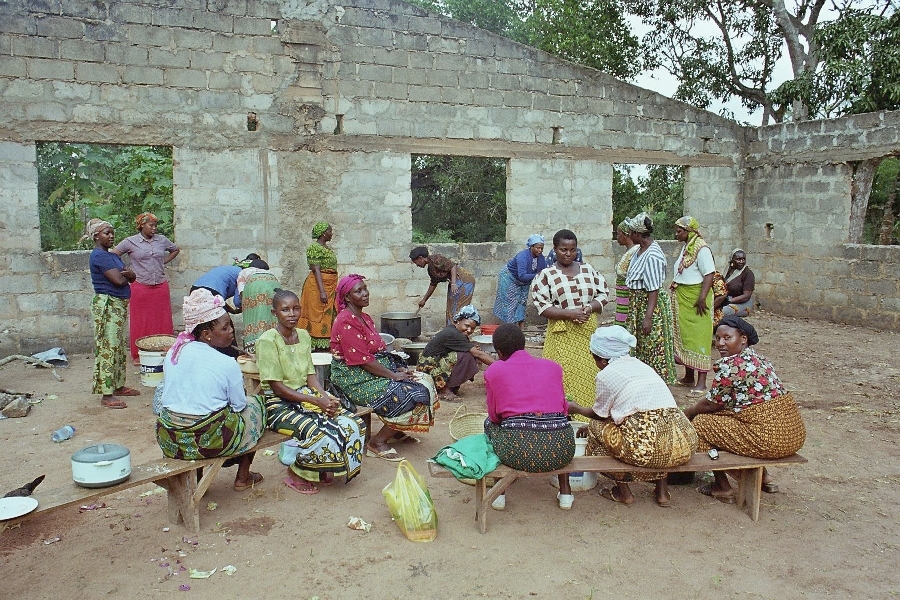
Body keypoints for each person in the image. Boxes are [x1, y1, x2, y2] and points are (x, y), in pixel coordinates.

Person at [567, 326, 699, 507]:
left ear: (601, 358)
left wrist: (577, 409)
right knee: (662, 438)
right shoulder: (642, 366)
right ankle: (662, 493)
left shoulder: (606, 374)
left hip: (647, 449)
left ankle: (624, 493)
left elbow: (600, 415)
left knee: (596, 428)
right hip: (685, 442)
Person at [684, 316, 805, 502]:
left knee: (702, 423)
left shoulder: (732, 367)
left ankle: (722, 486)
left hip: (772, 440)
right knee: (729, 422)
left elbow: (711, 404)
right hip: (793, 436)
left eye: (727, 338)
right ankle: (765, 477)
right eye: (717, 339)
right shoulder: (758, 359)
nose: (721, 343)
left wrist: (689, 412)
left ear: (743, 339)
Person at [256, 289, 365, 495]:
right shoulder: (267, 341)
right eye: (285, 309)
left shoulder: (304, 336)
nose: (292, 314)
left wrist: (325, 398)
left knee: (351, 422)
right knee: (317, 430)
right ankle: (296, 474)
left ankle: (323, 467)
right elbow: (277, 387)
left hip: (306, 395)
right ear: (274, 313)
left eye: (296, 308)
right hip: (279, 404)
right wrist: (317, 403)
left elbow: (310, 375)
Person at [156, 289, 266, 492]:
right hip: (208, 441)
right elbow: (239, 405)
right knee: (256, 405)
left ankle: (197, 479)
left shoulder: (174, 351)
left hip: (170, 438)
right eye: (225, 328)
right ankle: (243, 476)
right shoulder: (226, 363)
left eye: (230, 326)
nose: (231, 331)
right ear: (206, 334)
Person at [329, 274, 438, 462]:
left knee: (424, 379)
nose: (365, 294)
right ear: (347, 297)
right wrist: (393, 376)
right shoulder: (346, 321)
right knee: (411, 393)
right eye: (359, 291)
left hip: (370, 372)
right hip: (354, 379)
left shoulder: (364, 317)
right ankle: (376, 442)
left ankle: (396, 430)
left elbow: (376, 352)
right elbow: (363, 360)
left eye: (365, 288)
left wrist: (397, 370)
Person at [484, 324, 575, 510]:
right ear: (524, 344)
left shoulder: (494, 371)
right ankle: (566, 492)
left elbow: (494, 416)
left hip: (517, 453)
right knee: (560, 422)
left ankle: (499, 493)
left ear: (499, 352)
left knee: (489, 425)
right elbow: (564, 409)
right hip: (562, 451)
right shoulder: (553, 367)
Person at [531, 229, 609, 420]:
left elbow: (603, 294)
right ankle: (561, 417)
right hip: (561, 335)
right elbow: (542, 306)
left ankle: (587, 417)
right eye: (563, 249)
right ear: (555, 250)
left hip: (586, 333)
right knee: (561, 375)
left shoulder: (588, 269)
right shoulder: (546, 275)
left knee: (589, 373)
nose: (568, 254)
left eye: (572, 250)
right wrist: (569, 313)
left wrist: (589, 308)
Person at [112, 212, 179, 365]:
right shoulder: (131, 242)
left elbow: (175, 249)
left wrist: (164, 262)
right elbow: (114, 255)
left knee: (163, 319)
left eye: (155, 225)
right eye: (151, 225)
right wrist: (125, 271)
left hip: (160, 285)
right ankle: (138, 355)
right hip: (140, 286)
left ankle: (164, 351)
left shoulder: (162, 240)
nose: (154, 228)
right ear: (142, 225)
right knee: (140, 321)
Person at [87, 218, 139, 409]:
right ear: (96, 236)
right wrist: (130, 276)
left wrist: (129, 275)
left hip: (117, 305)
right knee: (108, 348)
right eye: (106, 233)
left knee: (117, 347)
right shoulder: (99, 256)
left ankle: (117, 385)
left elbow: (127, 275)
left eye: (111, 232)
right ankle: (106, 394)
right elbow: (119, 279)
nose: (111, 236)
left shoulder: (111, 255)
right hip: (108, 305)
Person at [624, 212, 677, 383]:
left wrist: (648, 317)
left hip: (650, 306)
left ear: (639, 234)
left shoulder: (653, 255)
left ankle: (656, 382)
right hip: (639, 304)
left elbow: (653, 289)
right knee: (641, 344)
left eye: (631, 232)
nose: (629, 235)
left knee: (652, 344)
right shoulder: (640, 250)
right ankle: (642, 380)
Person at [671, 216, 716, 396]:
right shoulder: (686, 247)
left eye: (679, 231)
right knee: (686, 337)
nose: (676, 234)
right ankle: (689, 376)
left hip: (696, 299)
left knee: (699, 337)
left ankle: (702, 382)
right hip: (684, 298)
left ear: (689, 231)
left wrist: (702, 297)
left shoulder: (701, 249)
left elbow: (709, 274)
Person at [191, 254, 267, 357]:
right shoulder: (244, 274)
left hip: (196, 289)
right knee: (225, 327)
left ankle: (208, 354)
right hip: (211, 293)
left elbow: (219, 300)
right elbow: (238, 301)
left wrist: (233, 311)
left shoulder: (233, 269)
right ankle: (231, 356)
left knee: (204, 326)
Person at [417, 305, 495, 400]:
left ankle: (447, 387)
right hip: (426, 371)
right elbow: (478, 354)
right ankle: (444, 391)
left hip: (431, 368)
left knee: (467, 354)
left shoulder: (455, 331)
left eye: (473, 328)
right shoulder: (452, 333)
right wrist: (502, 366)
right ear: (458, 321)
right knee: (466, 356)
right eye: (467, 326)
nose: (469, 330)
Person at [409, 246, 476, 326]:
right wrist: (424, 300)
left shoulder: (436, 259)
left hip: (464, 281)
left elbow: (452, 266)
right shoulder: (431, 269)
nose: (417, 265)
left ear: (420, 258)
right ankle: (451, 332)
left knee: (459, 309)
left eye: (416, 262)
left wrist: (453, 283)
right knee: (451, 310)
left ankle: (458, 333)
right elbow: (433, 284)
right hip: (455, 282)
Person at [298, 222, 338, 351]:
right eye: (330, 231)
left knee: (328, 314)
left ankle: (326, 343)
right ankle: (316, 343)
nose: (331, 234)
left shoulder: (327, 248)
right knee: (316, 314)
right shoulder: (315, 248)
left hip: (330, 285)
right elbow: (316, 269)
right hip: (318, 286)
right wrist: (322, 291)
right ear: (323, 233)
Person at [493, 234, 547, 328]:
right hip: (509, 277)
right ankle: (510, 328)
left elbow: (544, 272)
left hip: (525, 280)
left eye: (542, 248)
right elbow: (522, 276)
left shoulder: (541, 258)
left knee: (522, 302)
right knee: (510, 303)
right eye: (538, 248)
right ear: (531, 247)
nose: (540, 250)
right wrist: (538, 275)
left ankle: (521, 328)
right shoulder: (523, 256)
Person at [237, 259, 279, 354]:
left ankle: (254, 347)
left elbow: (241, 293)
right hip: (273, 283)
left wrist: (247, 308)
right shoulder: (270, 273)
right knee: (273, 316)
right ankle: (274, 344)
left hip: (254, 286)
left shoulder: (243, 272)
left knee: (254, 319)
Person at [613, 220, 638, 325]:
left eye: (618, 234)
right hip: (622, 298)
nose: (617, 237)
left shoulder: (635, 251)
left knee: (624, 324)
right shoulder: (629, 251)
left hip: (628, 297)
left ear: (626, 234)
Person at [717, 249, 755, 317]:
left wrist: (727, 301)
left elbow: (746, 296)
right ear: (732, 260)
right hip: (727, 300)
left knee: (720, 312)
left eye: (743, 259)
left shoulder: (748, 273)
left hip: (742, 304)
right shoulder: (728, 271)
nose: (741, 261)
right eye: (738, 259)